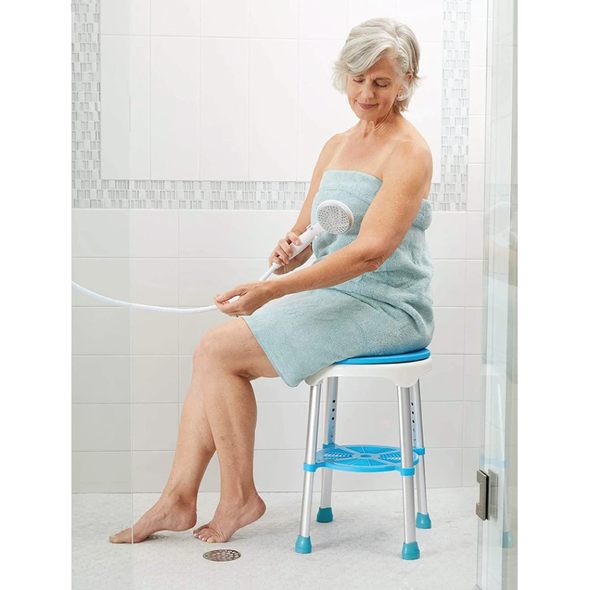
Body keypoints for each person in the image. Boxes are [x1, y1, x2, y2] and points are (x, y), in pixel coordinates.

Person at [110, 17, 434, 545]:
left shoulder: (409, 152)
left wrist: (270, 292)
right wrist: (286, 256)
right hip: (335, 292)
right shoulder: (336, 146)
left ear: (406, 80)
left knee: (217, 350)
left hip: (387, 305)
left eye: (380, 81)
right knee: (212, 351)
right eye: (356, 79)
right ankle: (177, 500)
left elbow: (370, 254)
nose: (365, 93)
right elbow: (308, 232)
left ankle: (238, 499)